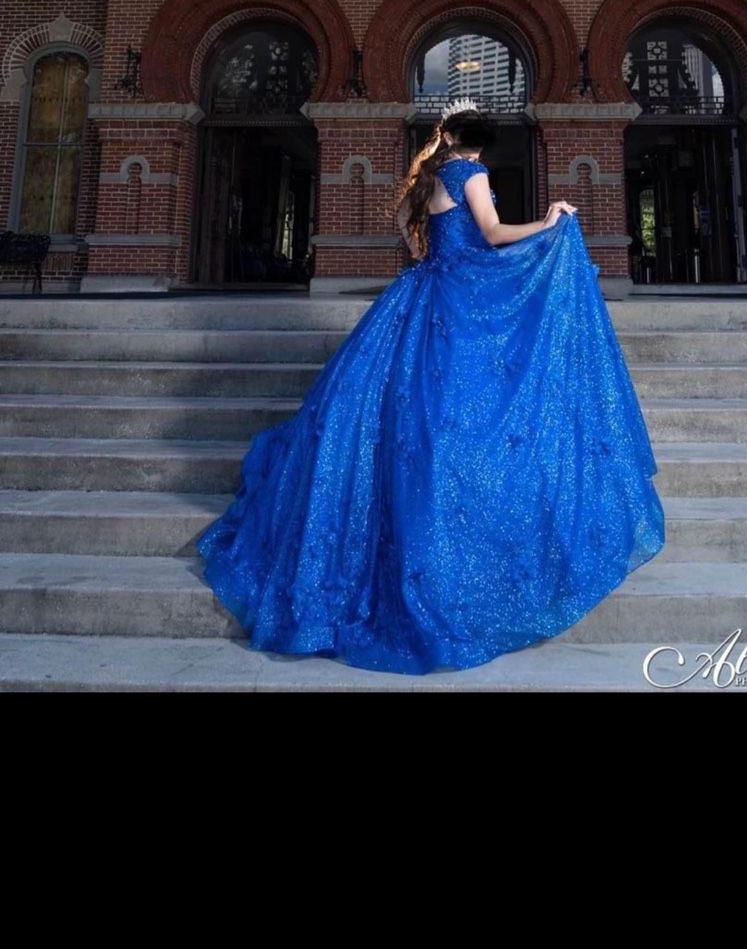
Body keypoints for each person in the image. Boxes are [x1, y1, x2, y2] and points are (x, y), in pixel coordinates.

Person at [194, 102, 665, 674]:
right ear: (474, 138)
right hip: (455, 299)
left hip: (418, 297)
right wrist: (549, 222)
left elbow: (413, 239)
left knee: (404, 414)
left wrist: (441, 254)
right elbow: (491, 234)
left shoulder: (426, 179)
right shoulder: (471, 173)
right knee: (462, 411)